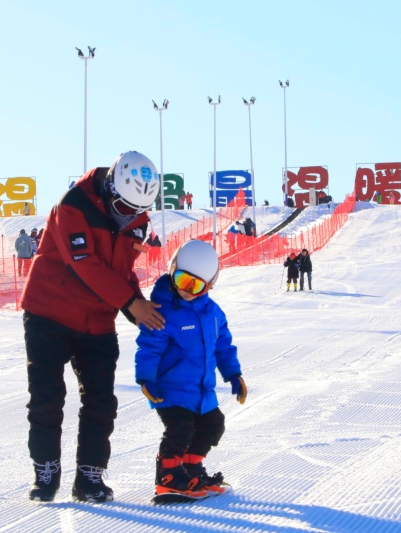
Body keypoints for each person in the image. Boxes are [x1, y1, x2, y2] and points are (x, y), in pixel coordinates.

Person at [20, 151, 165, 503]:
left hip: (98, 321)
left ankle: (90, 477)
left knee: (101, 401)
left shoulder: (138, 220)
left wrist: (139, 311)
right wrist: (130, 304)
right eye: (124, 206)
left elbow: (122, 271)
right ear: (110, 186)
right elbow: (84, 263)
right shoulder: (72, 206)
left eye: (137, 210)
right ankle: (46, 472)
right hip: (48, 313)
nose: (130, 215)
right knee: (47, 398)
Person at [135, 240, 245, 498]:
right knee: (180, 429)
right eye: (183, 279)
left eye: (196, 285)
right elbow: (149, 348)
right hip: (170, 390)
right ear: (172, 268)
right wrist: (146, 378)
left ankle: (190, 468)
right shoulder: (160, 311)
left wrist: (234, 374)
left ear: (209, 285)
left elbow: (223, 345)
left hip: (201, 391)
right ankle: (168, 476)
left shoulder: (213, 312)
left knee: (213, 424)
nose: (187, 290)